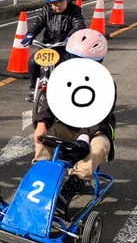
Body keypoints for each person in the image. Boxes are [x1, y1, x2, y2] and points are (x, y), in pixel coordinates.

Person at [32, 28, 116, 215]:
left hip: (94, 131)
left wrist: (84, 138)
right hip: (68, 126)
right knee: (45, 134)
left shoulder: (105, 84)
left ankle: (68, 191)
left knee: (100, 145)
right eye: (73, 59)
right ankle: (41, 179)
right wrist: (41, 123)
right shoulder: (63, 77)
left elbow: (100, 117)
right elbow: (49, 101)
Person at [21, 0, 86, 103]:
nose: (56, 6)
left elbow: (79, 25)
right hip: (48, 45)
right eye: (53, 3)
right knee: (33, 62)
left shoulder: (75, 11)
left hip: (65, 46)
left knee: (63, 67)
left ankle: (65, 92)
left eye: (60, 1)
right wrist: (30, 34)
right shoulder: (47, 10)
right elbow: (38, 23)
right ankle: (33, 88)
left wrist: (71, 37)